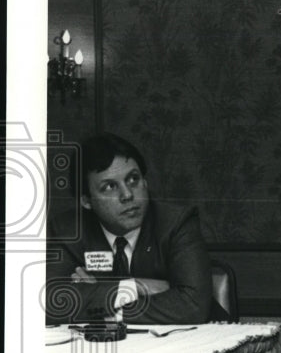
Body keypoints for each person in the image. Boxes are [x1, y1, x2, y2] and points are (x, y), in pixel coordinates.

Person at [46, 133, 213, 324]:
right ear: (86, 201)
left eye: (133, 179)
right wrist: (133, 288)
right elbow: (48, 302)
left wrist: (101, 303)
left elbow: (193, 306)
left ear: (146, 182)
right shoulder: (67, 230)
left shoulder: (176, 222)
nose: (127, 195)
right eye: (109, 187)